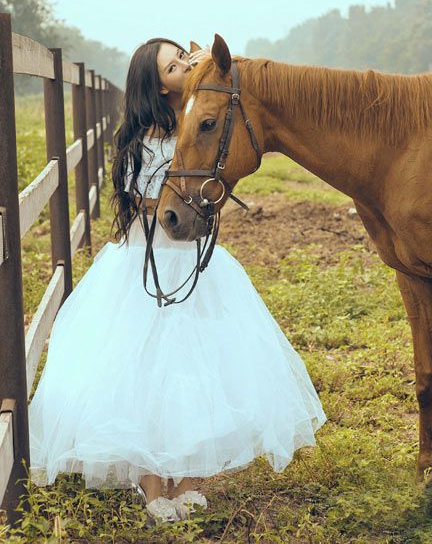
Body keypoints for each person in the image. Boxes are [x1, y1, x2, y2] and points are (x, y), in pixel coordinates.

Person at [28, 38, 327, 525]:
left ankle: (188, 479)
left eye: (183, 60)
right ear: (155, 81)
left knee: (199, 369)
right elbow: (145, 199)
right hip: (147, 259)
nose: (183, 67)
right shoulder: (138, 139)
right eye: (174, 65)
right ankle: (151, 485)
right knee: (143, 372)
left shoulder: (198, 120)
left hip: (191, 261)